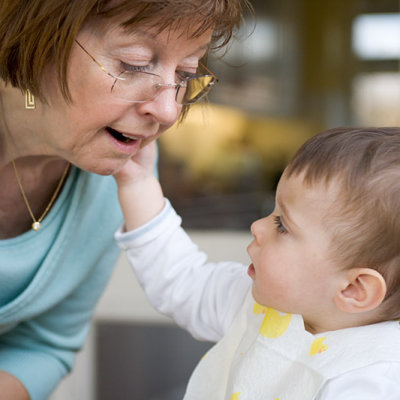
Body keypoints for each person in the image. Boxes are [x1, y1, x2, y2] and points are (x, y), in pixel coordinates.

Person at [0, 1, 253, 399]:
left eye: (186, 73)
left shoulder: (120, 180)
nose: (169, 111)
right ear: (36, 42)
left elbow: (44, 346)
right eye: (134, 64)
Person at [114, 127, 400, 399]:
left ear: (354, 288)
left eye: (282, 225)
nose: (257, 227)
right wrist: (138, 183)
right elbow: (181, 279)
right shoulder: (259, 301)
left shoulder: (373, 381)